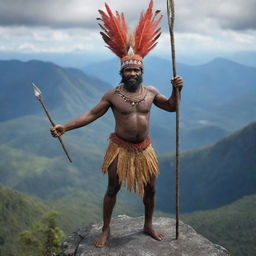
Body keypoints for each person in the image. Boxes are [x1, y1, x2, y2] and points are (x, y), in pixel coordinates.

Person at [51, 0, 183, 248]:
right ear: (122, 73)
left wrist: (177, 90)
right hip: (119, 148)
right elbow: (91, 114)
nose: (132, 74)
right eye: (128, 71)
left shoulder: (152, 92)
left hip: (145, 149)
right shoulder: (112, 95)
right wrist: (65, 127)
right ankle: (107, 229)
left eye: (135, 70)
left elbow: (172, 107)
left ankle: (148, 224)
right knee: (113, 188)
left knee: (151, 189)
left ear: (141, 72)